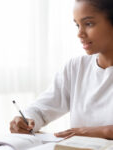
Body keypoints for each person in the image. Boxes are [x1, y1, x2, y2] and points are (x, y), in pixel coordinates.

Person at [10, 0, 113, 139]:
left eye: (88, 24)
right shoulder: (75, 68)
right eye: (77, 25)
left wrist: (100, 132)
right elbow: (41, 109)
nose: (79, 33)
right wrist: (26, 120)